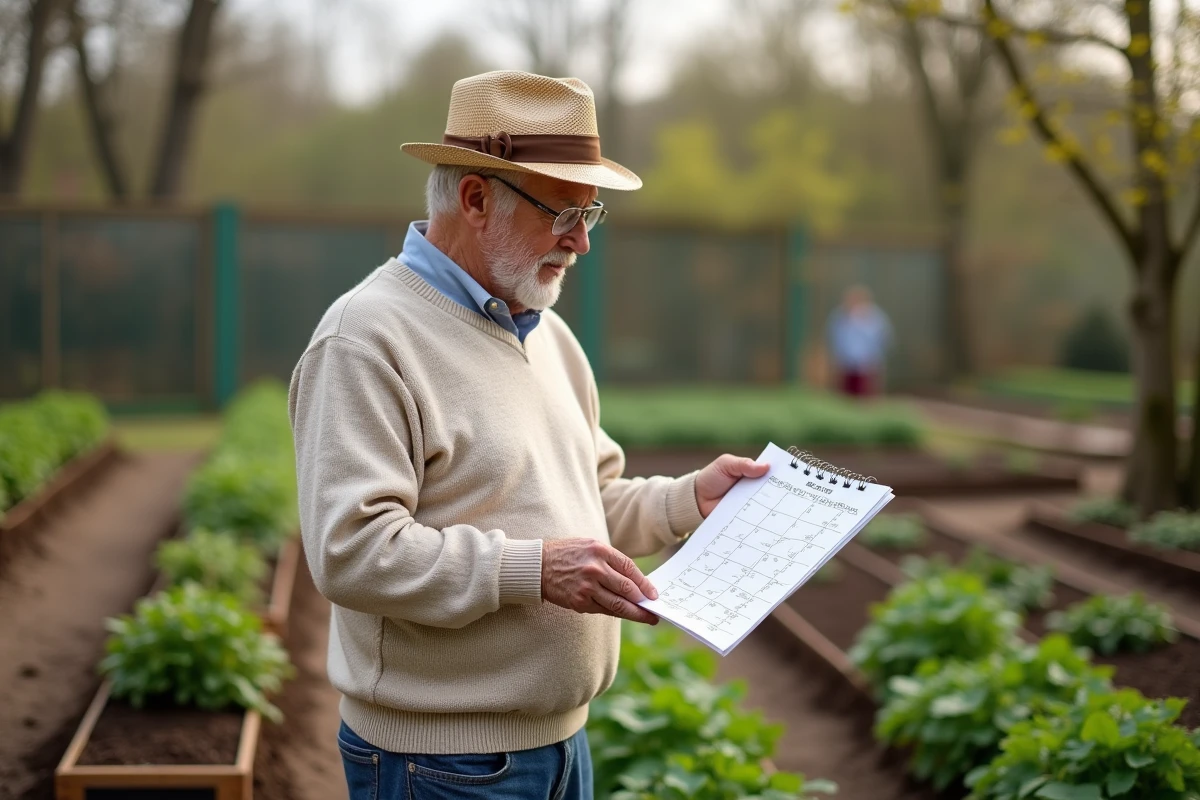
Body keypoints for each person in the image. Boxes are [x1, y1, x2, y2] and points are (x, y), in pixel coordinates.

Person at [287, 70, 768, 800]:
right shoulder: (365, 339)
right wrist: (534, 570)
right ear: (477, 198)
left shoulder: (548, 336)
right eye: (562, 212)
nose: (580, 241)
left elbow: (587, 499)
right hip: (438, 766)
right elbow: (352, 553)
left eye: (591, 213)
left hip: (563, 746)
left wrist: (686, 501)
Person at [826, 285, 893, 397]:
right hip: (845, 364)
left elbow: (883, 339)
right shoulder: (839, 316)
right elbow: (835, 339)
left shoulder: (875, 317)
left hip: (868, 365)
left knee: (866, 396)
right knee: (845, 395)